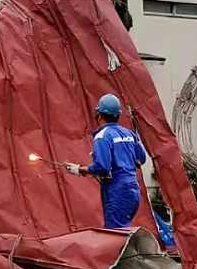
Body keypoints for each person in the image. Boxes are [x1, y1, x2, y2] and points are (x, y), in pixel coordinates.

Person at [63, 94, 147, 228]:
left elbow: (102, 167)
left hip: (117, 191)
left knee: (115, 234)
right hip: (133, 190)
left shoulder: (103, 136)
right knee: (123, 230)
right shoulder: (129, 133)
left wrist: (78, 169)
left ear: (99, 115)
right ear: (118, 115)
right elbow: (141, 159)